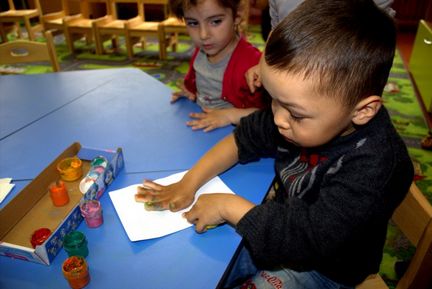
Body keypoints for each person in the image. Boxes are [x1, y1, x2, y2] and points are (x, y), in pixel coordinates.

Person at [136, 0, 414, 288]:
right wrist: (189, 181)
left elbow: (309, 239)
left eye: (294, 112)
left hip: (324, 269)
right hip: (277, 228)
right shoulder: (295, 113)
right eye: (272, 99)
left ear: (362, 110)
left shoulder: (376, 163)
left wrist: (228, 206)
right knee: (188, 268)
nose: (277, 118)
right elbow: (244, 137)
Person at [247, 0, 396, 94]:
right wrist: (263, 62)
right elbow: (277, 27)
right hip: (290, 70)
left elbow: (376, 38)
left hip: (342, 74)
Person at [169, 0, 268, 132]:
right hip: (204, 131)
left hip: (235, 136)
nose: (203, 35)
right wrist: (190, 91)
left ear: (237, 17)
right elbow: (197, 81)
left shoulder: (254, 65)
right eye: (193, 23)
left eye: (215, 21)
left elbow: (268, 116)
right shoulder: (202, 50)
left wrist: (229, 115)